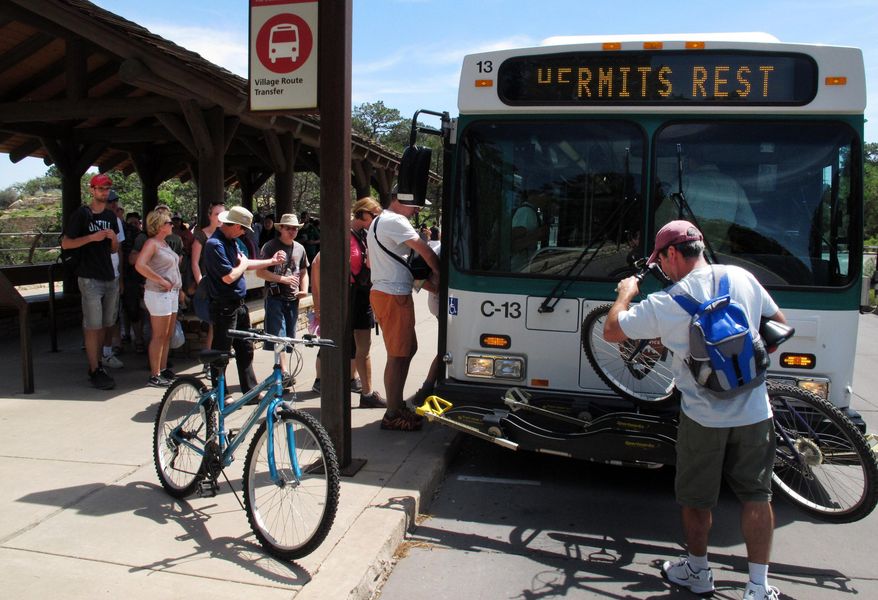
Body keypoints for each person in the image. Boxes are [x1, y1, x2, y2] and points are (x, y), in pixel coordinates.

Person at [603, 220, 787, 600]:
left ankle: (699, 572)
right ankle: (757, 587)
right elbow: (779, 327)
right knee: (757, 495)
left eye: (662, 260)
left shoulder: (667, 302)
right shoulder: (741, 278)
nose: (663, 269)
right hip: (755, 410)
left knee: (696, 500)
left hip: (703, 417)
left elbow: (611, 331)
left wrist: (625, 293)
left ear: (672, 254)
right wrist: (738, 367)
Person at [367, 187, 440, 430]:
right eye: (416, 204)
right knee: (398, 355)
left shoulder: (382, 221)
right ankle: (392, 413)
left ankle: (397, 406)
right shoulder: (395, 220)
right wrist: (443, 275)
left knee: (407, 350)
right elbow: (426, 252)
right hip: (393, 293)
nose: (418, 210)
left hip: (390, 292)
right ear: (401, 198)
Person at [203, 205, 286, 395]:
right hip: (224, 306)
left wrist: (271, 262)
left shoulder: (230, 241)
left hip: (238, 305)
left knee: (245, 348)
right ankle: (219, 393)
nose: (243, 232)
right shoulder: (214, 245)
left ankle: (250, 390)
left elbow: (245, 264)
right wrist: (243, 264)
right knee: (222, 351)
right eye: (242, 228)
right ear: (232, 225)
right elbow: (229, 276)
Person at [60, 173, 120, 390]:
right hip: (89, 276)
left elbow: (113, 249)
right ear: (92, 190)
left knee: (106, 323)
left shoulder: (112, 217)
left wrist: (113, 240)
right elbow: (66, 243)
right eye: (101, 189)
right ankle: (94, 368)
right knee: (92, 325)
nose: (104, 192)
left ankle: (100, 363)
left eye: (107, 189)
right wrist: (91, 238)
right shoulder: (81, 215)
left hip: (108, 275)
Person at [256, 213, 309, 386]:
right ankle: (283, 371)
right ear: (281, 228)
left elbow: (303, 271)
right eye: (289, 228)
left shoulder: (300, 248)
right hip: (274, 297)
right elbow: (260, 271)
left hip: (292, 298)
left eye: (295, 228)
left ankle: (280, 370)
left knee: (289, 337)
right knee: (279, 335)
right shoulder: (270, 246)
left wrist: (304, 290)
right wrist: (282, 279)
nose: (293, 231)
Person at [135, 207, 183, 387]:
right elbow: (140, 265)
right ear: (160, 226)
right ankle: (155, 374)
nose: (172, 224)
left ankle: (163, 370)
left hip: (171, 293)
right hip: (158, 293)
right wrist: (160, 280)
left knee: (167, 334)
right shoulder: (151, 243)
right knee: (159, 335)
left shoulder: (165, 243)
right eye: (168, 222)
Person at [349, 197, 385, 408]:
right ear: (362, 214)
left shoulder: (364, 234)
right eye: (374, 215)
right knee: (362, 346)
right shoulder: (349, 236)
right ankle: (367, 393)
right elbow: (318, 265)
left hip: (362, 294)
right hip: (352, 295)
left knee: (362, 345)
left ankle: (365, 390)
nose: (376, 219)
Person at [191, 202, 225, 349]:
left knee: (217, 324)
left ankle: (213, 358)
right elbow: (194, 262)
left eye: (222, 214)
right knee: (212, 322)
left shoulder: (226, 234)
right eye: (216, 214)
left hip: (223, 284)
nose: (219, 217)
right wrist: (201, 284)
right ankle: (209, 357)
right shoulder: (202, 235)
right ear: (210, 216)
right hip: (207, 285)